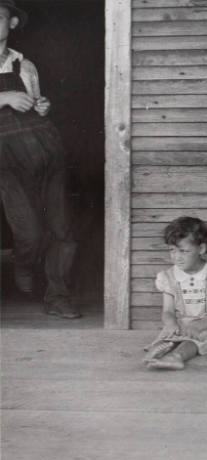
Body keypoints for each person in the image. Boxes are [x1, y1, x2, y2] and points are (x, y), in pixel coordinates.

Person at [0, 0, 79, 318]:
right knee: (30, 232)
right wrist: (4, 97)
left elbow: (35, 103)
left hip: (42, 149)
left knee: (61, 228)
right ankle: (21, 263)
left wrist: (41, 105)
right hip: (5, 160)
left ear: (12, 24)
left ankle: (58, 297)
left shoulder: (25, 65)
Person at [143, 217, 207, 370]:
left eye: (183, 251)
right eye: (172, 250)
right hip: (180, 323)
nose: (177, 257)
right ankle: (155, 354)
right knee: (167, 338)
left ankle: (177, 357)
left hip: (205, 325)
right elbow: (168, 311)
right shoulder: (168, 277)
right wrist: (170, 323)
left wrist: (197, 327)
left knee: (192, 342)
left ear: (201, 249)